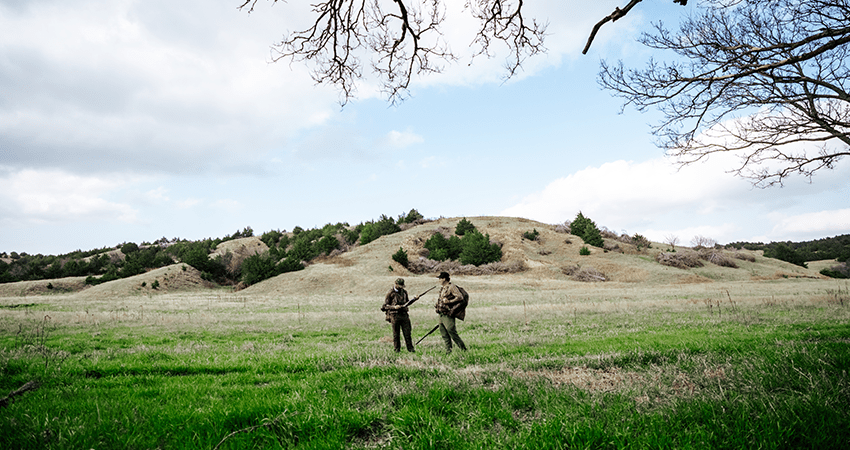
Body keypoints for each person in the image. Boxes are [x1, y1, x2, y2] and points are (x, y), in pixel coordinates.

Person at [434, 271, 467, 353]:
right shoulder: (443, 288)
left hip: (448, 314)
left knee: (451, 331)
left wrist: (449, 301)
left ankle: (463, 349)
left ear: (444, 279)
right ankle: (448, 351)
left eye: (440, 278)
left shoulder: (452, 287)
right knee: (444, 333)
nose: (439, 280)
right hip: (441, 314)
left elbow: (460, 297)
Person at [381, 278, 416, 352]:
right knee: (396, 335)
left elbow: (407, 302)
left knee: (407, 333)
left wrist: (414, 299)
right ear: (395, 284)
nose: (401, 287)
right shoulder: (390, 293)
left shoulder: (404, 292)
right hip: (394, 316)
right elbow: (384, 307)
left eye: (402, 286)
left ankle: (410, 349)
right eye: (399, 286)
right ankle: (397, 350)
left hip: (404, 315)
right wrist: (394, 307)